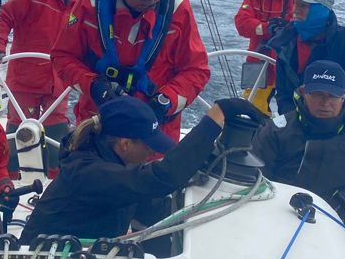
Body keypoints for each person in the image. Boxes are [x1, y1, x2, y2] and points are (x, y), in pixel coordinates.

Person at [51, 0, 210, 142]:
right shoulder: (90, 1)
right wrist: (94, 86)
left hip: (153, 133)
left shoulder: (177, 8)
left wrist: (165, 102)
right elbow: (62, 57)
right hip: (98, 127)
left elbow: (197, 71)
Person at [18, 95, 228, 245]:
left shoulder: (113, 165)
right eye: (148, 146)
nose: (152, 153)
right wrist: (212, 123)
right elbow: (158, 178)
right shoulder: (89, 173)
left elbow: (151, 205)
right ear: (125, 144)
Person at [251, 60, 345, 223]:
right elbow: (253, 179)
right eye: (317, 94)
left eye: (333, 96)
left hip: (338, 224)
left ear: (344, 96)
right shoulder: (275, 131)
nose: (325, 102)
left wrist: (343, 202)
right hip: (277, 215)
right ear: (303, 92)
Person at [0, 0, 93, 134]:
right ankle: (14, 164)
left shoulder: (81, 1)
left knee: (57, 131)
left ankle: (54, 165)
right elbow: (4, 18)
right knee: (21, 131)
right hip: (26, 78)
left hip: (59, 79)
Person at [265, 0, 345, 118]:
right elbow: (283, 92)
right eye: (296, 4)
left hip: (337, 124)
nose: (295, 10)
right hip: (296, 123)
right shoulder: (286, 40)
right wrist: (294, 122)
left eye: (303, 6)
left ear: (320, 10)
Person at [234, 0, 295, 112]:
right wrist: (267, 28)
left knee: (291, 109)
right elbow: (242, 24)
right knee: (250, 109)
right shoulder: (252, 0)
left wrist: (282, 30)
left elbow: (300, 25)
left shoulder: (295, 2)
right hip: (257, 60)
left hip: (287, 63)